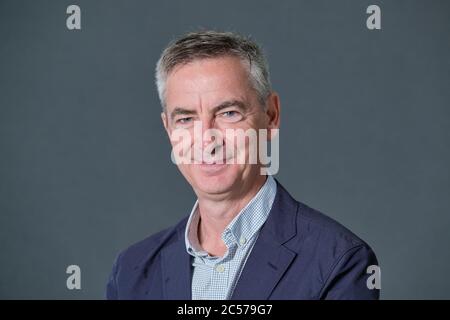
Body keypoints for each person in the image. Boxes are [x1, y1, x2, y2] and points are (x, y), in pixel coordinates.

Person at [106, 30, 380, 300]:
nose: (207, 140)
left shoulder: (340, 261)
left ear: (271, 115)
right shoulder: (131, 272)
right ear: (168, 129)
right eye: (186, 119)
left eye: (228, 113)